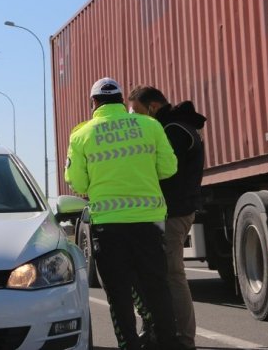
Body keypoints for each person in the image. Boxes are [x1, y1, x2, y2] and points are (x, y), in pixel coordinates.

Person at [65, 77, 181, 350]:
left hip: (108, 226)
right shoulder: (150, 125)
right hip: (148, 223)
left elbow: (78, 184)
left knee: (118, 295)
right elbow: (169, 169)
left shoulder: (81, 135)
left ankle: (129, 344)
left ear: (94, 103)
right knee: (157, 288)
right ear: (120, 99)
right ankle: (167, 342)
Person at [128, 85, 206, 350]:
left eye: (137, 112)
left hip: (175, 212)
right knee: (159, 274)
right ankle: (162, 333)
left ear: (152, 107)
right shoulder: (176, 126)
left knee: (173, 274)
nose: (135, 119)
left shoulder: (173, 131)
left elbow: (161, 171)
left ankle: (184, 339)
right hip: (172, 210)